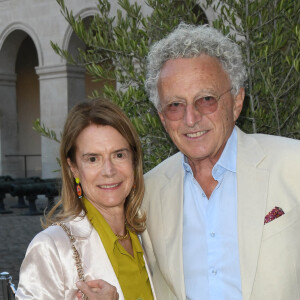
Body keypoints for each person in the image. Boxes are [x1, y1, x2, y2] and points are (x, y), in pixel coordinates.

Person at [141, 23, 300, 300]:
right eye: (175, 105)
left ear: (237, 101)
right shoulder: (148, 193)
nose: (191, 119)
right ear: (162, 117)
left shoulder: (293, 164)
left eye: (206, 100)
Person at [16, 99, 156, 300]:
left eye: (118, 155)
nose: (109, 171)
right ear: (73, 167)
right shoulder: (52, 249)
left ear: (133, 160)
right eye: (93, 159)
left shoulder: (148, 237)